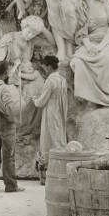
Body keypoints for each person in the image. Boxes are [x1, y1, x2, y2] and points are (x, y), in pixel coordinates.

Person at [0, 60, 27, 192]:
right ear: (5, 73)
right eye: (8, 71)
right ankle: (11, 185)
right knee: (9, 154)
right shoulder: (4, 89)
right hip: (5, 121)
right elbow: (9, 108)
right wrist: (13, 119)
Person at [30, 55, 68, 183]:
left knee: (47, 141)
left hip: (50, 113)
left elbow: (41, 102)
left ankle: (45, 176)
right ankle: (60, 172)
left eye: (45, 66)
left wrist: (35, 99)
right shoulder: (62, 80)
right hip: (60, 113)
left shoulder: (50, 81)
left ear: (50, 66)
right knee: (59, 140)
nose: (44, 69)